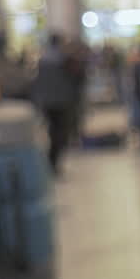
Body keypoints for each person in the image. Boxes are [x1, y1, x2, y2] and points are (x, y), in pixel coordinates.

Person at [33, 34, 83, 175]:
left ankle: (51, 163)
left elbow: (38, 82)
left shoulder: (43, 60)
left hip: (47, 102)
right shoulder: (65, 59)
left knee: (52, 131)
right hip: (62, 102)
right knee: (59, 133)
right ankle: (53, 163)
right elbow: (76, 78)